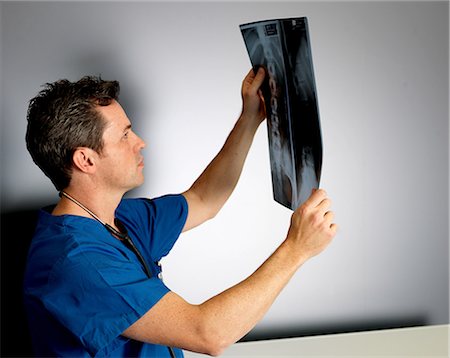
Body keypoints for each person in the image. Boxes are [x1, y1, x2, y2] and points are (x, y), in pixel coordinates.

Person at [24, 68, 337, 357]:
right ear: (86, 160)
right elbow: (208, 334)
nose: (140, 143)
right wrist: (296, 250)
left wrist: (249, 118)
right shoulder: (79, 264)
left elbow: (203, 199)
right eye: (124, 135)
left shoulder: (116, 218)